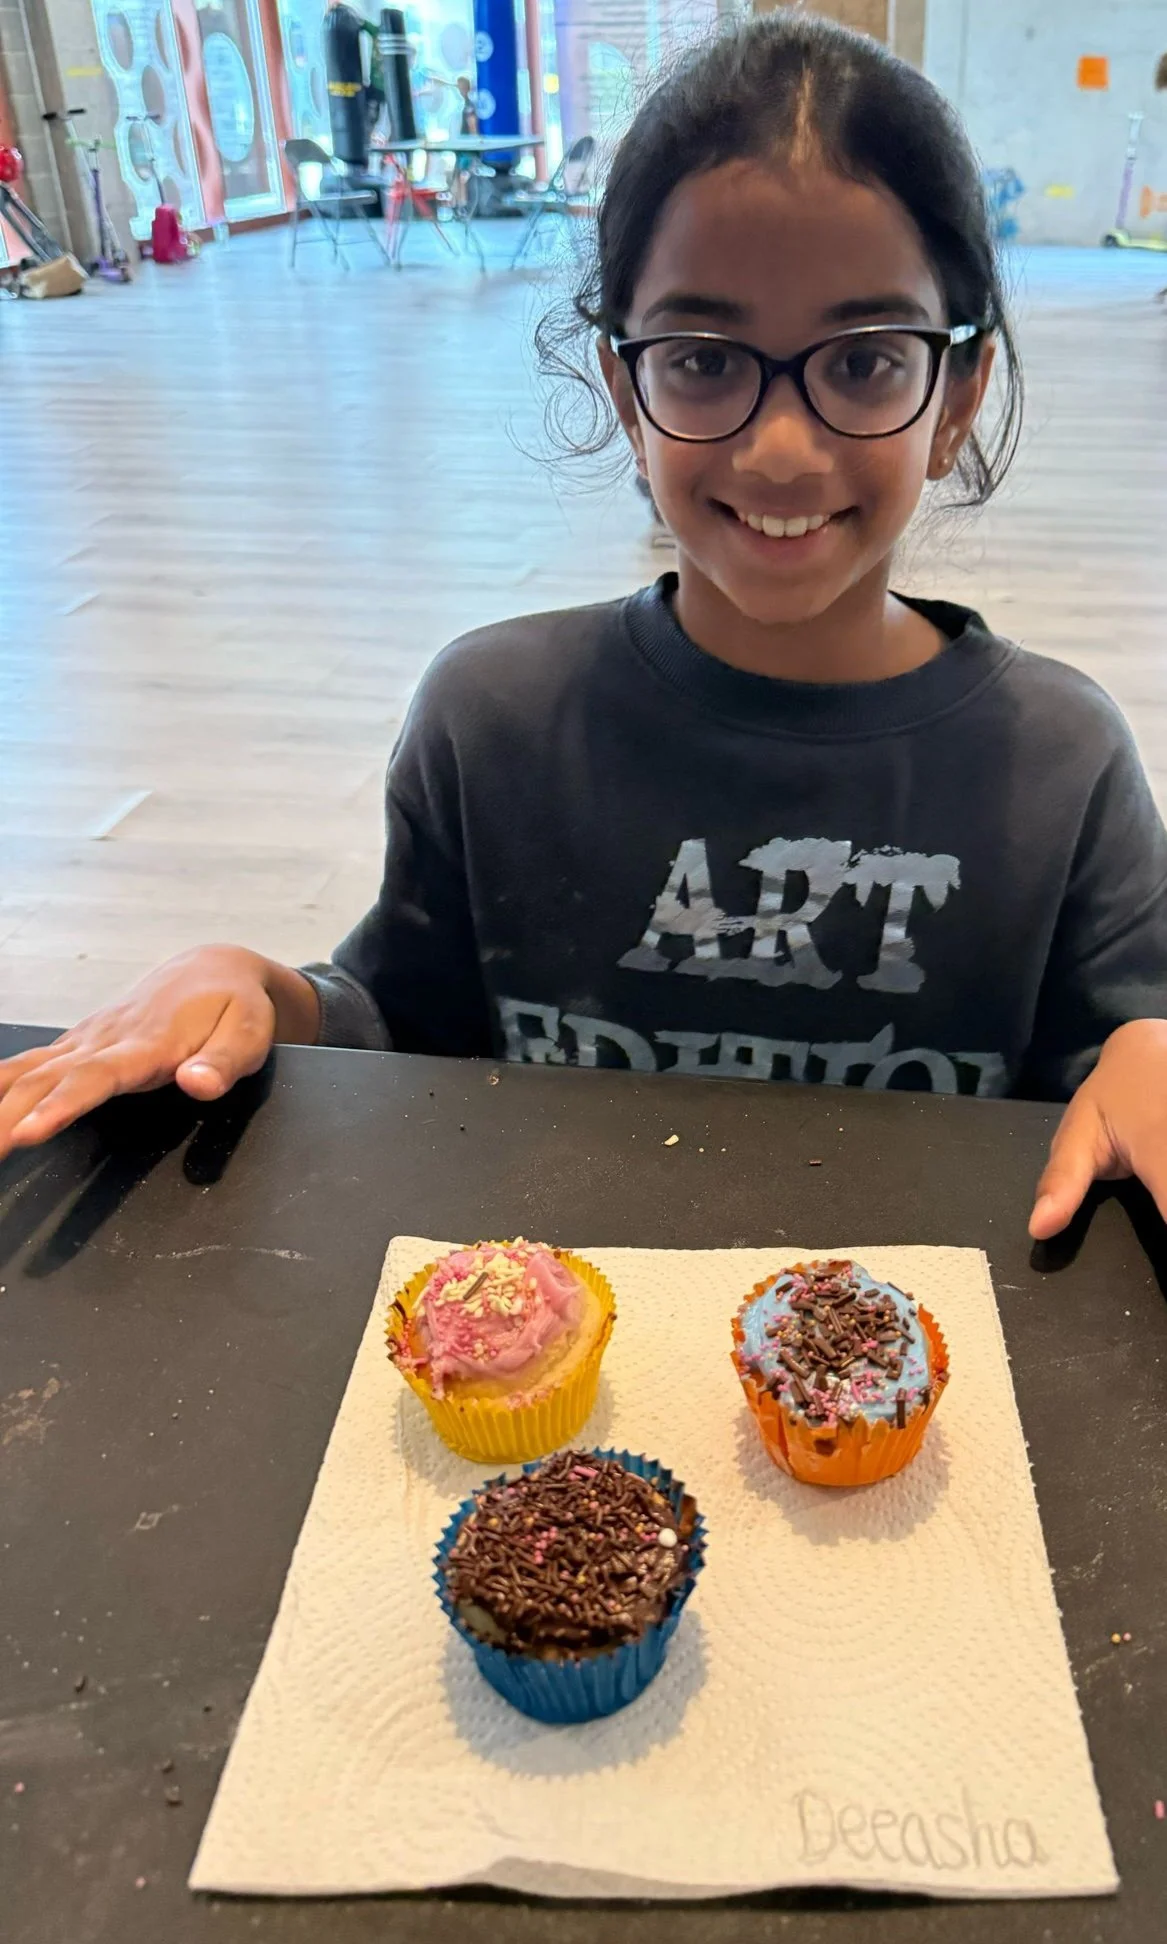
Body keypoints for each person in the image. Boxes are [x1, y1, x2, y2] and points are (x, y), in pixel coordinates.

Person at [3, 14, 1167, 1243]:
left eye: (868, 361)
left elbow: (1125, 1065)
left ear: (957, 398)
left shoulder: (1060, 763)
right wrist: (256, 987)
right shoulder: (493, 719)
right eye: (705, 360)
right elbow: (401, 1030)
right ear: (624, 388)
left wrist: (1149, 1048)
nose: (781, 448)